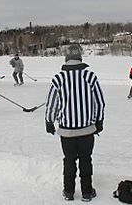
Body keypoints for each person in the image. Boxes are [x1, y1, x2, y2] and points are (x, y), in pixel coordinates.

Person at [45, 45, 105, 202]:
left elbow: (51, 104)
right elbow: (99, 102)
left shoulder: (58, 78)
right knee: (86, 159)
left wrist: (49, 121)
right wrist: (99, 121)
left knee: (69, 160)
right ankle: (87, 192)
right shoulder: (90, 76)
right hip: (86, 130)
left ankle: (69, 192)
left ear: (66, 59)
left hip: (67, 131)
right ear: (80, 58)